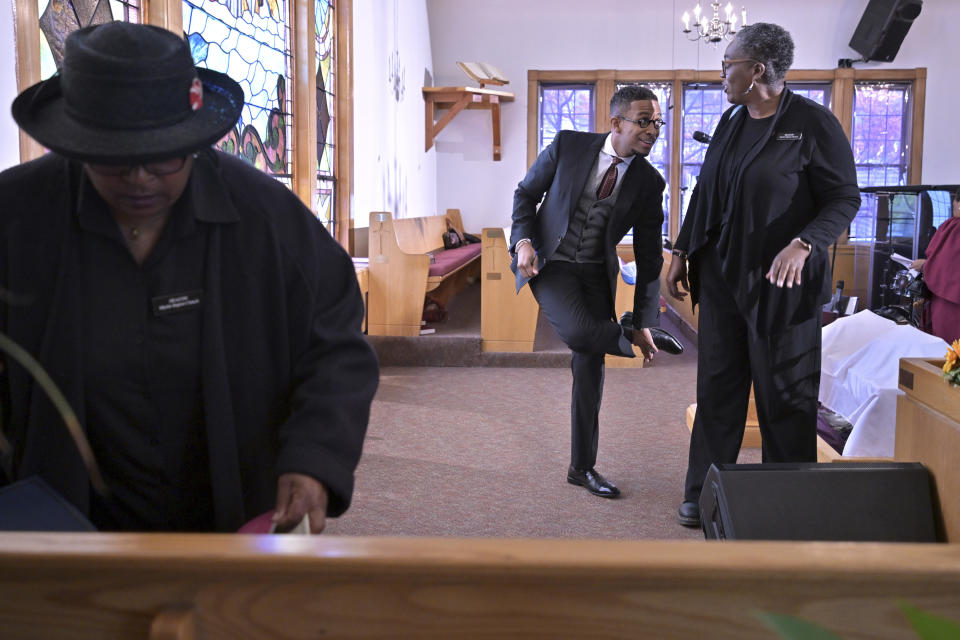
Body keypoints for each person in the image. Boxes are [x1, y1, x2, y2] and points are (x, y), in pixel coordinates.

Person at [0, 22, 379, 533]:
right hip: (60, 516)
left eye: (160, 157)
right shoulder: (16, 216)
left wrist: (314, 455)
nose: (139, 179)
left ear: (192, 137)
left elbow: (334, 342)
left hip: (231, 509)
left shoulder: (264, 219)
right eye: (115, 160)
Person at [665, 23, 860, 527]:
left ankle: (789, 501)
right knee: (718, 391)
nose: (720, 72)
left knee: (783, 398)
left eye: (727, 63)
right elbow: (705, 193)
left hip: (783, 290)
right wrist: (682, 249)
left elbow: (844, 199)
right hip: (723, 280)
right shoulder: (731, 121)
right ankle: (703, 493)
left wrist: (805, 242)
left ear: (756, 70)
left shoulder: (814, 125)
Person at [511, 84, 679, 499]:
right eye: (644, 121)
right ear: (616, 122)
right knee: (582, 334)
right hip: (549, 264)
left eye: (657, 122)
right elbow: (526, 194)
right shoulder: (569, 145)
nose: (653, 130)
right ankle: (624, 332)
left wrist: (644, 317)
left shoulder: (649, 181)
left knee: (589, 367)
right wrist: (523, 242)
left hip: (593, 274)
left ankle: (581, 468)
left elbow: (648, 256)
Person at [911, 192, 960, 343]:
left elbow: (947, 266)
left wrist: (925, 266)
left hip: (952, 304)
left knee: (949, 354)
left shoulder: (955, 227)